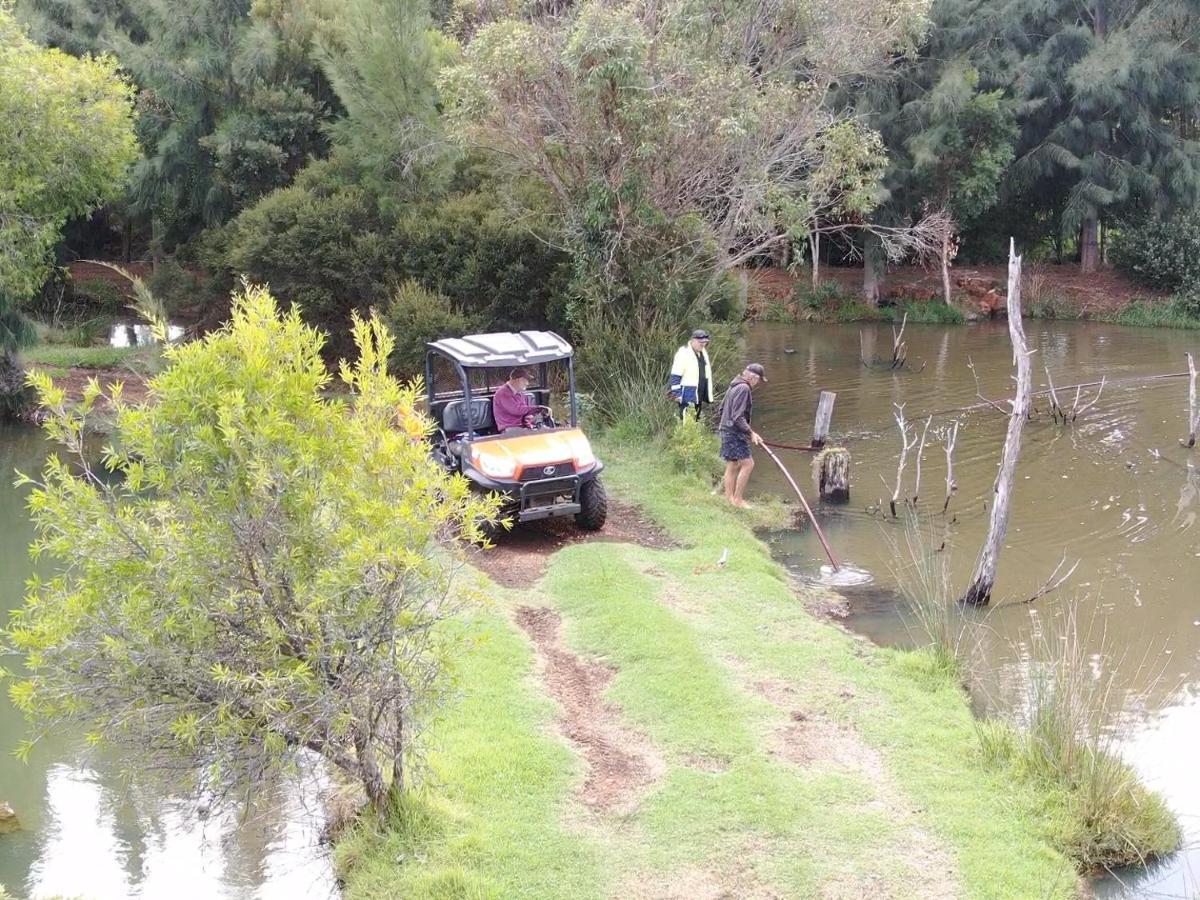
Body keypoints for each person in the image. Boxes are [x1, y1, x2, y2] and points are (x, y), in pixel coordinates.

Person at [718, 363, 767, 508]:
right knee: (748, 464)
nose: (757, 383)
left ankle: (729, 500)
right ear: (753, 377)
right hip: (733, 433)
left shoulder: (734, 384)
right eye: (758, 380)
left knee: (732, 464)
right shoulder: (744, 388)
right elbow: (737, 416)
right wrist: (750, 433)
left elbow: (722, 409)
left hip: (726, 430)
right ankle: (738, 500)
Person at [668, 329, 714, 420]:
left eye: (704, 342)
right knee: (686, 421)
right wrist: (677, 394)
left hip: (699, 394)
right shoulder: (683, 353)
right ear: (693, 340)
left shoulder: (703, 353)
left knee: (696, 420)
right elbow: (675, 375)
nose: (703, 345)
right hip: (688, 393)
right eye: (700, 342)